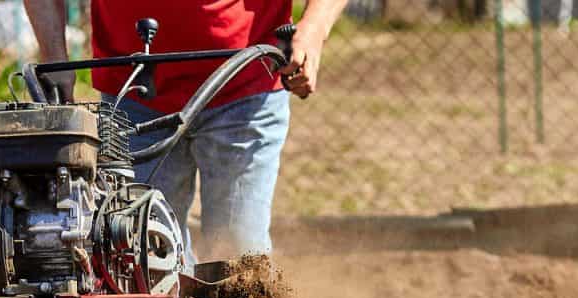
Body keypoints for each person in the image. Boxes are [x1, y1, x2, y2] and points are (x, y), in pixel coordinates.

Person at [23, 0, 346, 260]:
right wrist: (54, 58)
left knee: (237, 250)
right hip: (133, 90)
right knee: (143, 251)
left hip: (245, 83)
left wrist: (313, 29)